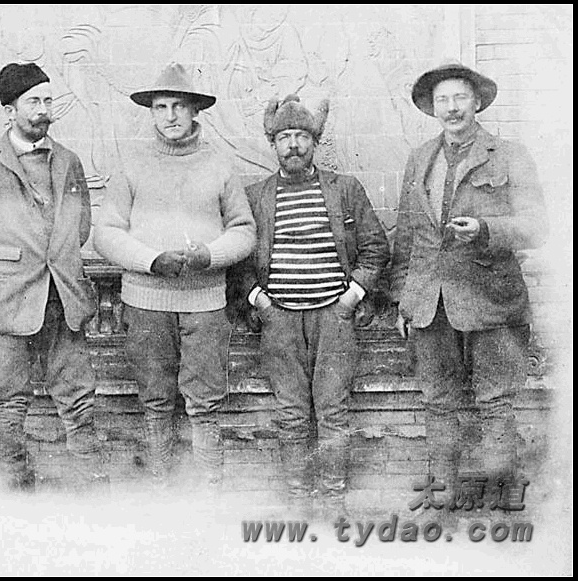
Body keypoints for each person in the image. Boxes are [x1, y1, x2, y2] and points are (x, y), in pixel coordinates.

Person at [0, 62, 105, 492]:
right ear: (9, 111)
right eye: (33, 101)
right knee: (10, 404)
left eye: (48, 100)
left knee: (79, 400)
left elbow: (80, 226)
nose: (43, 110)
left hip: (61, 301)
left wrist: (56, 263)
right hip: (3, 305)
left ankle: (90, 496)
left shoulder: (68, 162)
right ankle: (14, 495)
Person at [389, 63, 549, 499]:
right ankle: (442, 496)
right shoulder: (421, 158)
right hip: (431, 305)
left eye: (460, 97)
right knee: (438, 403)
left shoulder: (509, 155)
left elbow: (537, 226)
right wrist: (405, 301)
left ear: (477, 102)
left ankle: (502, 501)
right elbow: (409, 237)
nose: (452, 108)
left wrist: (485, 229)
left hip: (491, 302)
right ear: (432, 108)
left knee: (494, 402)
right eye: (442, 100)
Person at [94, 63, 256, 492]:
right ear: (151, 112)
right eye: (161, 107)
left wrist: (210, 255)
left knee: (205, 403)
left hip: (205, 303)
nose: (170, 116)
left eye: (179, 106)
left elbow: (244, 230)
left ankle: (209, 494)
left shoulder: (219, 164)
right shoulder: (132, 164)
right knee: (155, 401)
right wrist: (151, 260)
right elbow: (105, 233)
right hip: (146, 303)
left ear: (194, 111)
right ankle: (162, 493)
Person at [229, 94, 390, 512]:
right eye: (285, 137)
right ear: (273, 144)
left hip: (333, 317)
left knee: (333, 413)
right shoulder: (256, 196)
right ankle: (298, 504)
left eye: (302, 136)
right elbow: (239, 259)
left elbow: (376, 248)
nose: (294, 145)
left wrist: (351, 296)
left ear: (315, 142)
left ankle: (333, 502)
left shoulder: (344, 189)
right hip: (279, 320)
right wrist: (260, 302)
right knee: (292, 415)